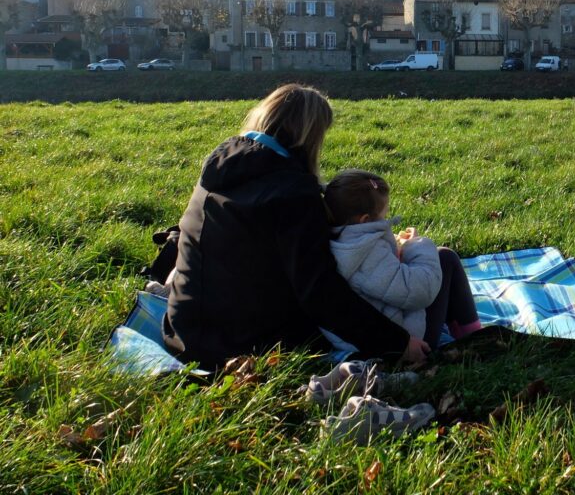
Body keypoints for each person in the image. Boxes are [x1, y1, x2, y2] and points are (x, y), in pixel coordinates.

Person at [160, 84, 429, 369]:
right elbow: (319, 292)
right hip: (242, 345)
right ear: (311, 137)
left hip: (184, 327)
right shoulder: (294, 192)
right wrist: (397, 343)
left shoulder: (221, 163)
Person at [323, 169, 481, 349]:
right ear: (365, 220)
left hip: (369, 337)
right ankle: (474, 337)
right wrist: (415, 245)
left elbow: (385, 281)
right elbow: (420, 291)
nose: (385, 220)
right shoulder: (365, 252)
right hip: (407, 342)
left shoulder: (340, 241)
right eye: (383, 216)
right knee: (446, 258)